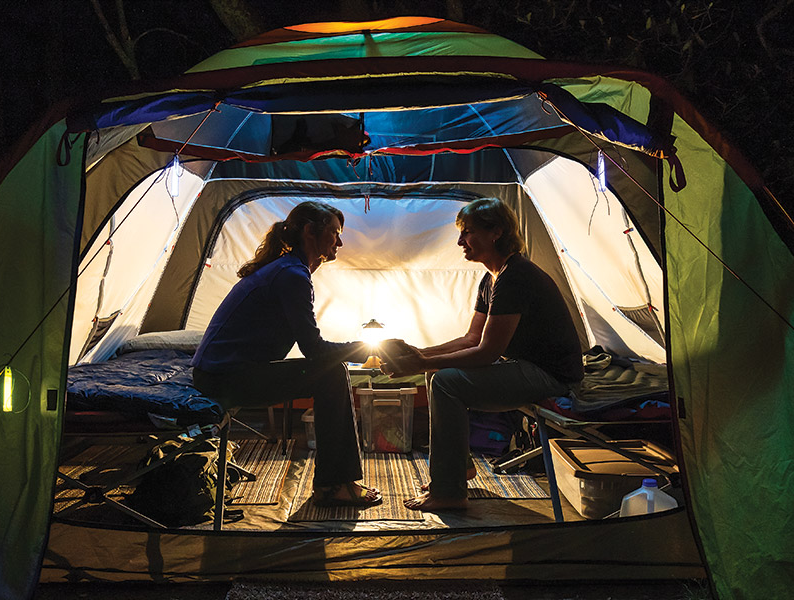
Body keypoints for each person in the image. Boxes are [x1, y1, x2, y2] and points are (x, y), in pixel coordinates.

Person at [383, 198, 583, 511]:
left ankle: (449, 492)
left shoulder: (516, 276)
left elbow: (488, 352)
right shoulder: (491, 278)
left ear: (496, 232)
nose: (460, 241)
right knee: (436, 374)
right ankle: (458, 468)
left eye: (468, 232)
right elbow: (472, 338)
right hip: (523, 366)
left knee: (445, 381)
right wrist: (420, 354)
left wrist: (421, 362)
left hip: (551, 376)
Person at [191, 200, 391, 507]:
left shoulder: (289, 269)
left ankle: (334, 482)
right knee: (332, 375)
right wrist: (368, 349)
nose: (339, 242)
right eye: (335, 233)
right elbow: (314, 350)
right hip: (224, 379)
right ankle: (334, 485)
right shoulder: (291, 275)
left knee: (332, 371)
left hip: (220, 373)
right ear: (310, 231)